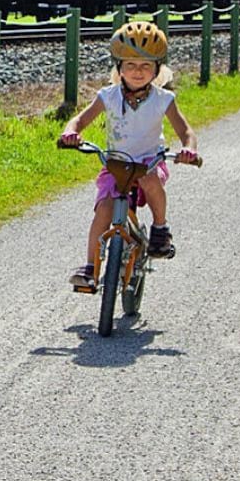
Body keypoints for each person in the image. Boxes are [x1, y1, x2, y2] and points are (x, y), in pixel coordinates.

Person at [56, 21, 198, 293]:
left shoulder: (163, 99)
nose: (137, 72)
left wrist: (189, 148)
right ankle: (90, 268)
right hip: (116, 165)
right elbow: (79, 120)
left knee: (149, 180)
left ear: (157, 69)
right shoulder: (107, 96)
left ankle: (160, 229)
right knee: (104, 209)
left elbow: (185, 130)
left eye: (146, 66)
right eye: (130, 65)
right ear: (118, 67)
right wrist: (70, 132)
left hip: (149, 163)